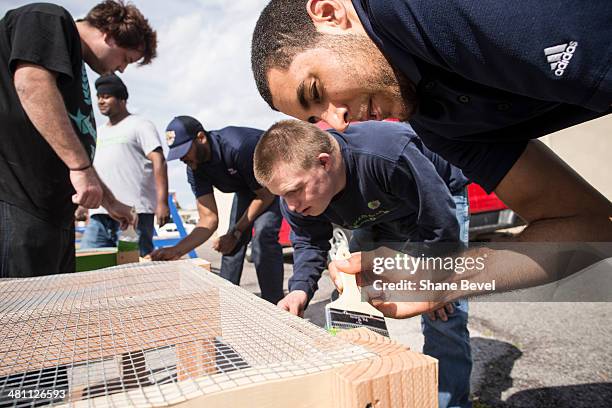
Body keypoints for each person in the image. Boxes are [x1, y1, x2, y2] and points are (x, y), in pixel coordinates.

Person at [251, 0, 612, 316]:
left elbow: (441, 219)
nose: (336, 123)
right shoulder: (436, 124)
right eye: (315, 119)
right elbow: (591, 228)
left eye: (316, 91)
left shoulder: (417, 11)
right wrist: (439, 282)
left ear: (329, 13)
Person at [254, 119, 472, 408]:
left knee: (442, 314)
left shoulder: (387, 154)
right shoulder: (296, 194)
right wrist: (299, 289)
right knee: (349, 302)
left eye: (295, 191)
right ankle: (362, 392)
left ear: (324, 162)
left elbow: (440, 227)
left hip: (433, 206)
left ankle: (450, 402)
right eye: (282, 195)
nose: (291, 205)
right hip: (376, 214)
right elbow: (308, 241)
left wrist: (434, 279)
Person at [0, 1, 157, 278]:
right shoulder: (49, 18)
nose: (121, 69)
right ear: (110, 35)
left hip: (52, 213)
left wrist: (110, 202)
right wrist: (80, 168)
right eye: (126, 59)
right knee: (23, 315)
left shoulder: (73, 64)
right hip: (19, 202)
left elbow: (73, 149)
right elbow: (32, 84)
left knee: (53, 313)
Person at [150, 116, 285, 304]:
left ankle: (276, 307)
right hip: (249, 189)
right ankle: (225, 305)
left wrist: (236, 231)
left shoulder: (238, 146)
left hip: (274, 181)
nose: (182, 158)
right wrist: (176, 250)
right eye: (177, 153)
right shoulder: (195, 168)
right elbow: (208, 219)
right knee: (230, 245)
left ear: (201, 138)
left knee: (263, 237)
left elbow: (266, 195)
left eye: (184, 151)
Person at [80, 74, 169, 257]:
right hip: (100, 214)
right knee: (91, 269)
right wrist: (84, 205)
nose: (100, 101)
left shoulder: (140, 125)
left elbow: (158, 160)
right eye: (98, 97)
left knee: (135, 270)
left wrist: (162, 202)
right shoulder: (98, 132)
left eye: (106, 96)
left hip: (134, 214)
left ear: (122, 99)